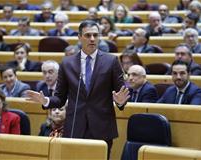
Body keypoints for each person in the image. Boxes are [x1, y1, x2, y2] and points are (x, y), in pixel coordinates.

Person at [26, 20, 130, 159]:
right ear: (79, 37)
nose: (92, 39)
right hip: (75, 125)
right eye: (88, 35)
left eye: (95, 35)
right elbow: (60, 98)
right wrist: (46, 100)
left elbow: (120, 93)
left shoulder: (111, 61)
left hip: (101, 127)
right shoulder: (67, 63)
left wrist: (121, 102)